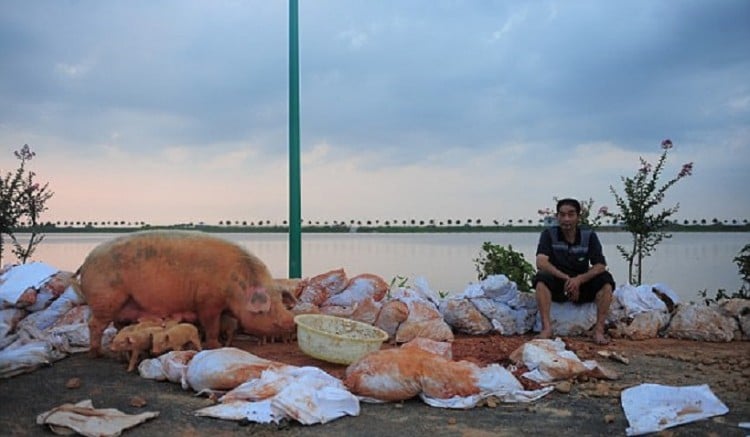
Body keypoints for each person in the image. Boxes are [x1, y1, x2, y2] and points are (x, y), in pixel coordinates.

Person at [533, 198, 615, 345]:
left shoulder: (588, 235)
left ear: (578, 217)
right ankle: (547, 328)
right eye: (562, 215)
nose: (566, 219)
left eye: (571, 214)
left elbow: (600, 265)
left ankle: (598, 330)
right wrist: (567, 279)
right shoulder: (549, 234)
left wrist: (579, 280)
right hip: (559, 283)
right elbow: (541, 262)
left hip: (582, 284)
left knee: (606, 280)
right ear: (557, 217)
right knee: (541, 278)